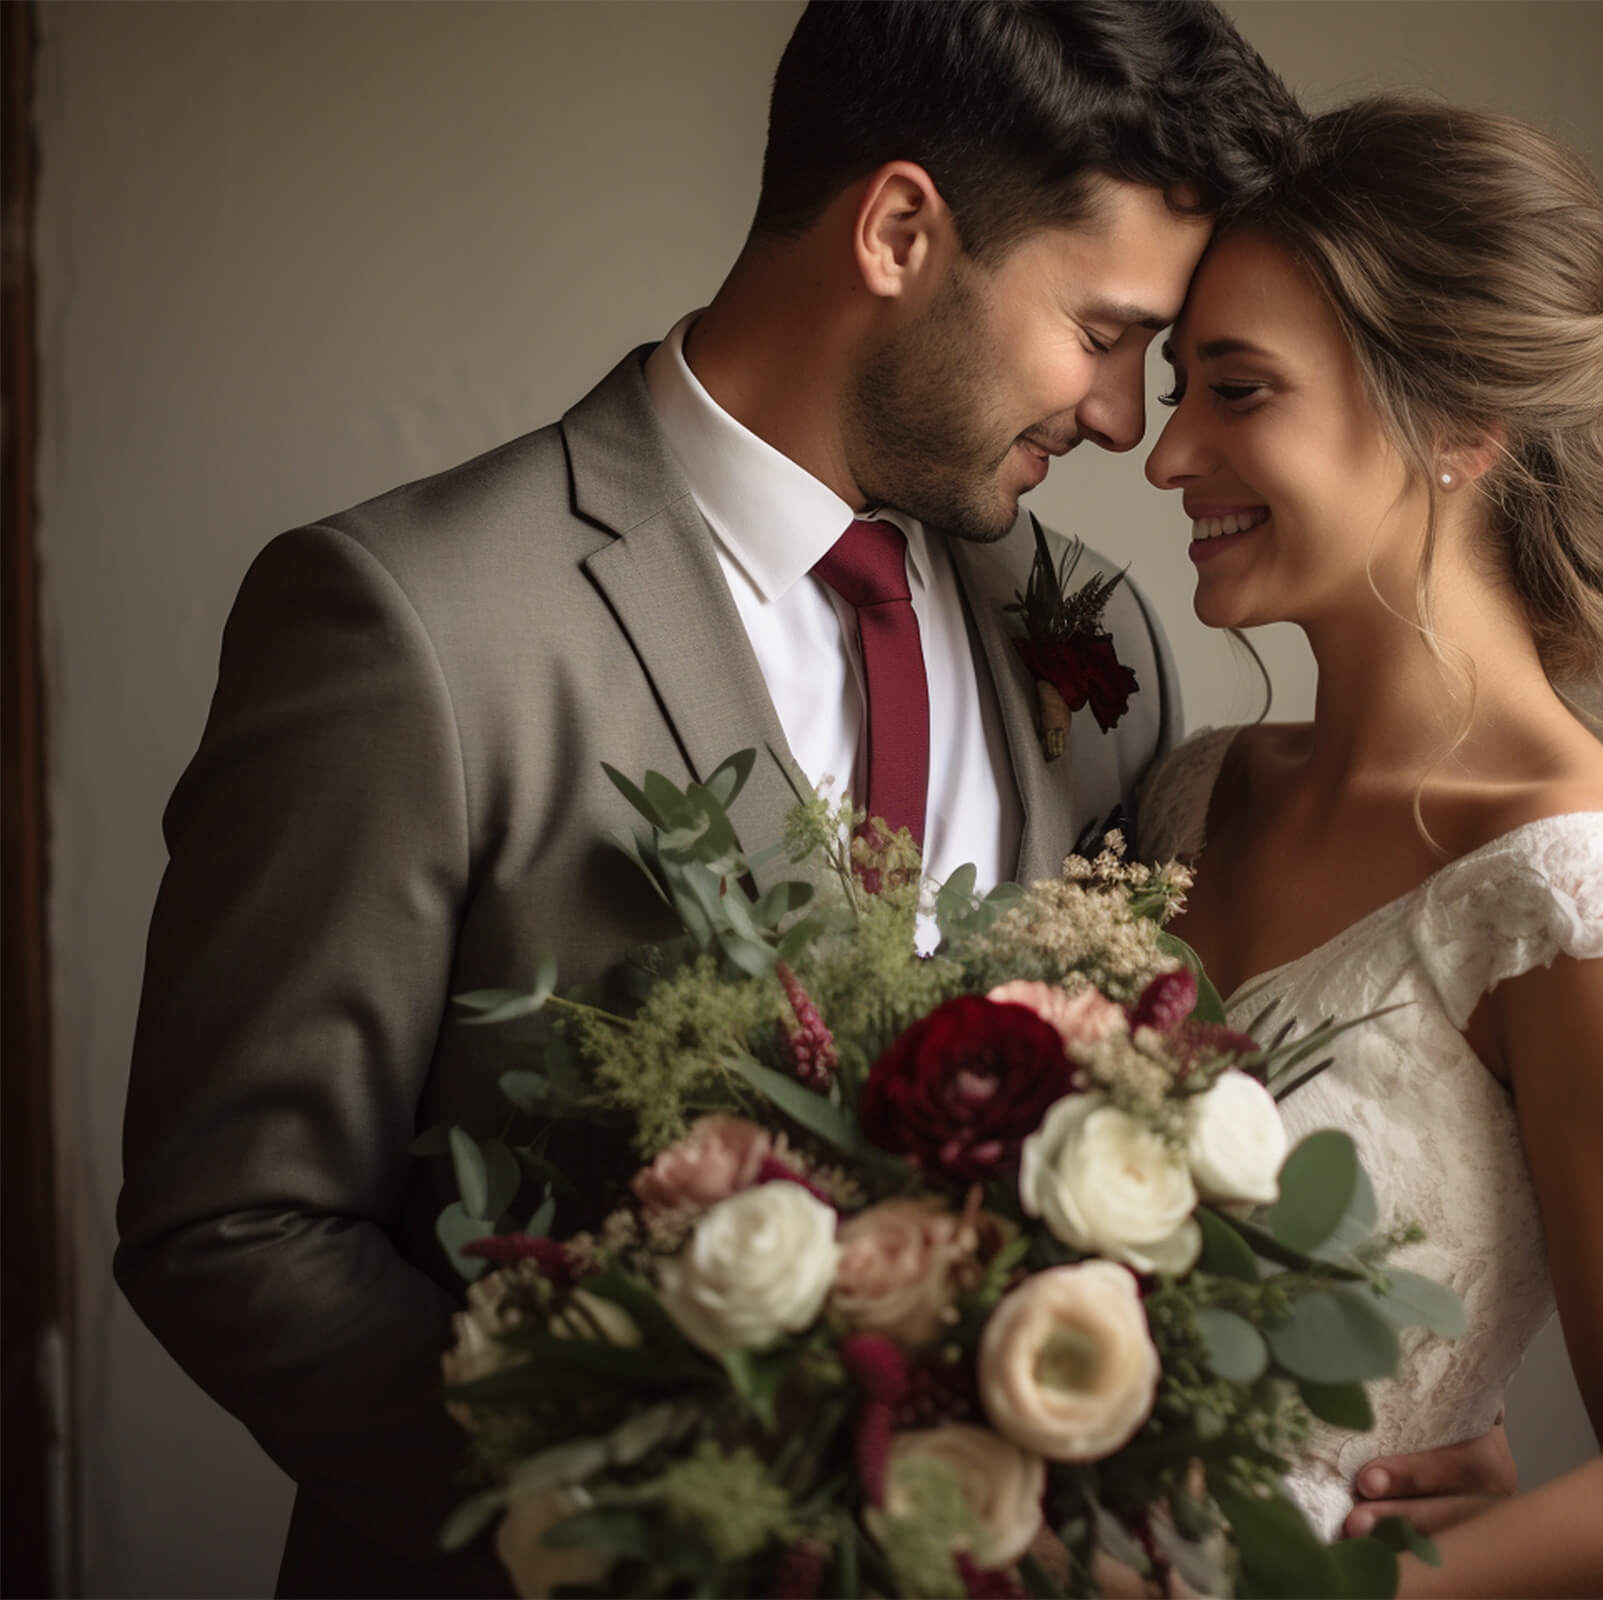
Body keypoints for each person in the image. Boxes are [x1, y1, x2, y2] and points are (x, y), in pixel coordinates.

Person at [114, 10, 1514, 1597]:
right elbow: (235, 1228)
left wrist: (1343, 1437)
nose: (1127, 422)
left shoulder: (1098, 638)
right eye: (1105, 332)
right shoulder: (417, 626)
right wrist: (672, 1524)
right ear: (900, 230)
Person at [1137, 93, 1603, 1593]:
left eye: (1238, 391)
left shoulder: (1582, 904)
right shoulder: (1187, 796)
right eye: (1179, 388)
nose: (1168, 454)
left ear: (1458, 428)